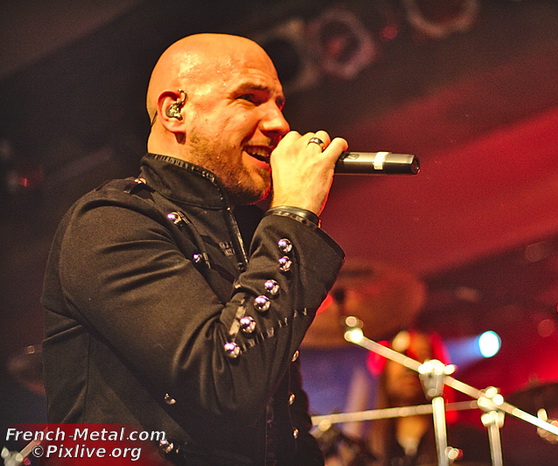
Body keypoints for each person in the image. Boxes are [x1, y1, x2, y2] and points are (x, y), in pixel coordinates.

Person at [41, 33, 348, 465]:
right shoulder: (110, 221)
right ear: (175, 111)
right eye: (250, 98)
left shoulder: (252, 232)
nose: (279, 123)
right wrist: (294, 215)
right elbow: (226, 383)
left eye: (279, 104)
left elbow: (285, 424)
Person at [366, 330, 491, 466]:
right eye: (402, 355)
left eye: (421, 355)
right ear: (385, 369)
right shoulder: (369, 453)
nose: (409, 366)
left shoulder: (469, 442)